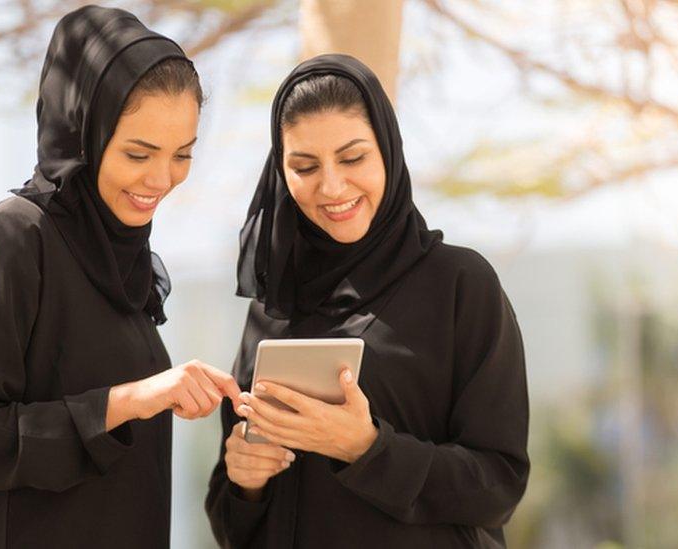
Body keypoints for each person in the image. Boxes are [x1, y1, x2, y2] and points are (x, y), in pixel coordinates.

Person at [0, 6, 240, 548]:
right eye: (138, 152)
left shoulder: (121, 263)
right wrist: (131, 400)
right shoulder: (13, 240)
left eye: (182, 155)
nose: (162, 179)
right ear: (83, 133)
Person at [205, 54, 529, 548]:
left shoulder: (460, 285)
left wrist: (365, 447)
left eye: (352, 158)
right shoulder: (274, 308)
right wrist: (244, 481)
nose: (331, 187)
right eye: (304, 166)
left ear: (388, 153)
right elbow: (235, 527)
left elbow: (499, 485)